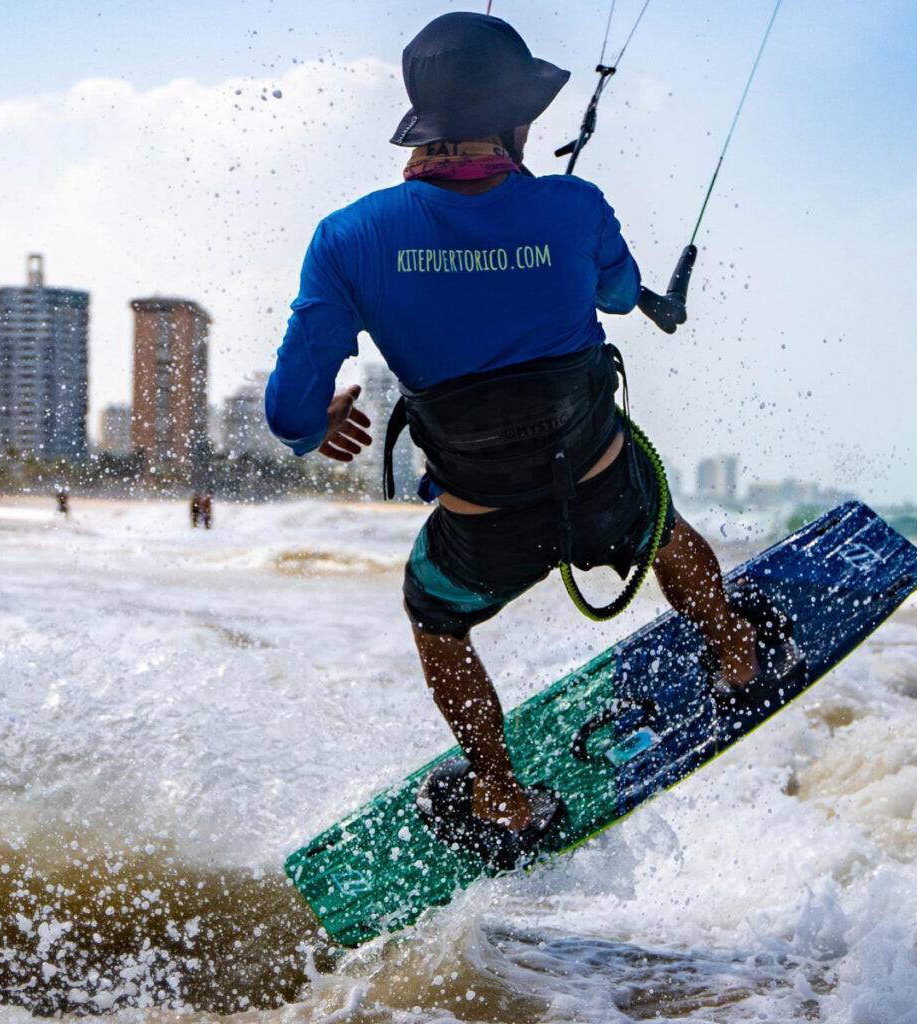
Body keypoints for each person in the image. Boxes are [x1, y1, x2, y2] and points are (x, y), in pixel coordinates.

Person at [266, 12, 763, 863]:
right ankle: (735, 651)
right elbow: (618, 297)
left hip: (482, 524)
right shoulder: (575, 206)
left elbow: (289, 414)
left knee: (436, 614)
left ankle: (498, 789)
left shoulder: (347, 237)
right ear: (515, 118)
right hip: (602, 489)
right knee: (662, 527)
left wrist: (323, 423)